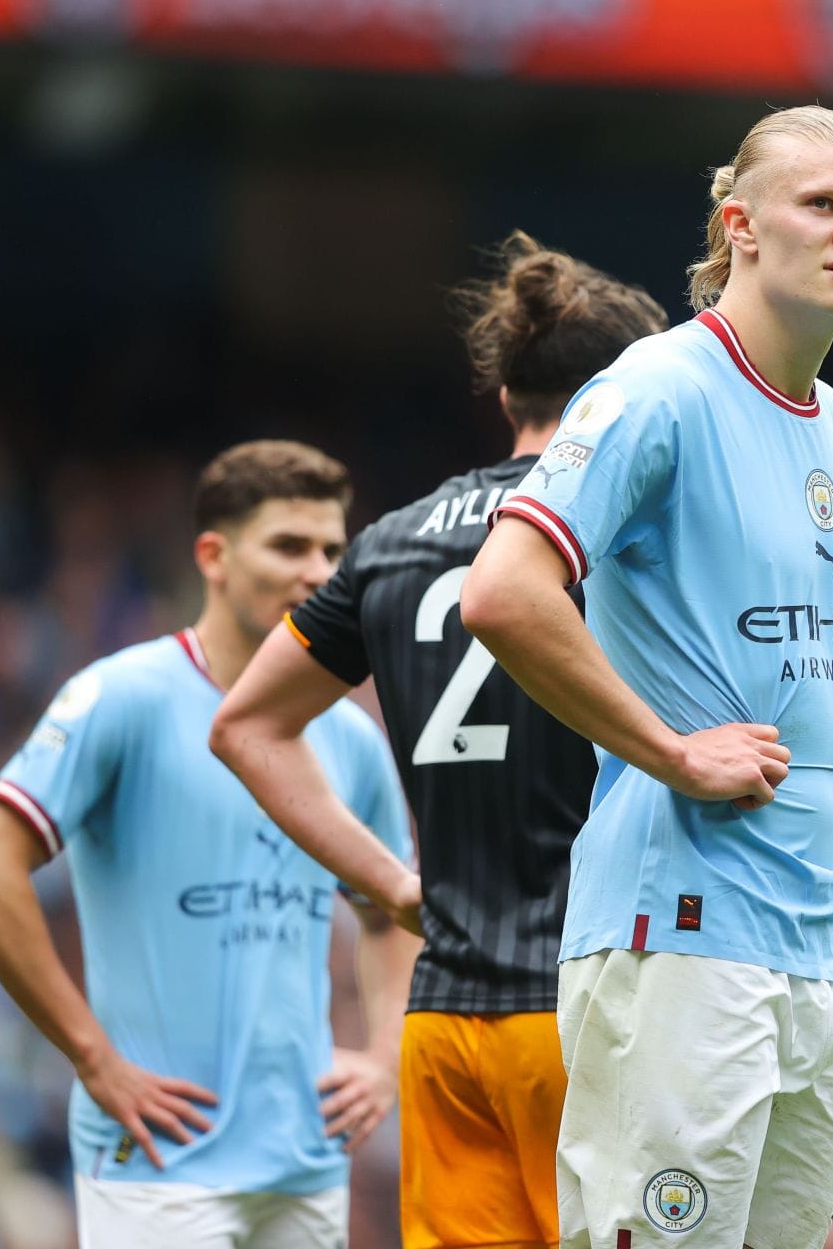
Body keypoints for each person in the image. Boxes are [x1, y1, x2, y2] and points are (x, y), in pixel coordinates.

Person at [458, 105, 833, 1249]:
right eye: (824, 205)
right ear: (740, 225)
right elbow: (504, 590)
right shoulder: (658, 387)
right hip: (680, 929)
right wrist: (669, 748)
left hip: (812, 939)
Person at [210, 235, 669, 1249]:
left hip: (444, 1022)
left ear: (509, 396)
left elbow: (245, 725)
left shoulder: (391, 538)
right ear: (624, 402)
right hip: (592, 1012)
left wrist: (391, 882)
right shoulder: (629, 539)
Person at [0, 440, 420, 1248]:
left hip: (304, 1160)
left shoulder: (348, 736)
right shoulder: (121, 698)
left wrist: (383, 1056)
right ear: (213, 555)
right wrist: (93, 1058)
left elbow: (388, 913)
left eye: (333, 551)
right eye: (289, 546)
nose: (317, 571)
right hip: (157, 1160)